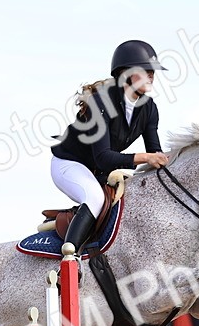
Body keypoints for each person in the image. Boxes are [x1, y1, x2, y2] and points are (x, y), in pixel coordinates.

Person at [51, 40, 171, 251]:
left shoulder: (149, 108)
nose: (152, 75)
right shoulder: (101, 102)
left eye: (153, 71)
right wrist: (146, 158)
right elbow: (104, 157)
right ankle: (68, 260)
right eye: (145, 70)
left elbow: (155, 153)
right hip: (69, 165)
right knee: (95, 198)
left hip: (99, 170)